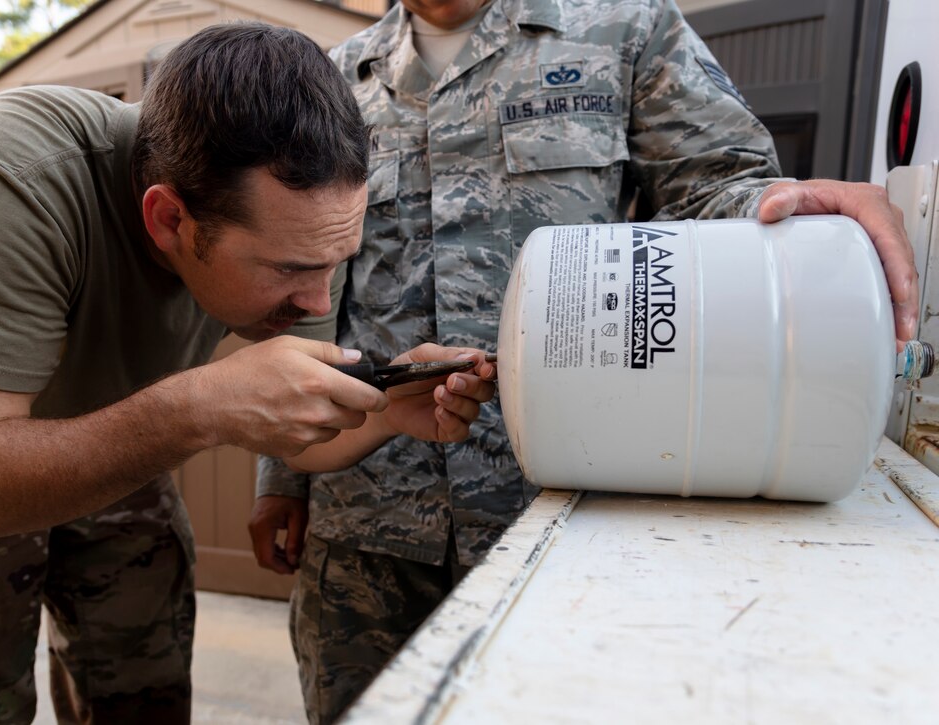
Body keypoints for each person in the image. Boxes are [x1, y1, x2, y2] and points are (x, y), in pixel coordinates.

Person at [247, 0, 920, 722]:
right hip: (368, 530)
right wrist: (280, 472)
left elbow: (717, 185)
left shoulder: (623, 29)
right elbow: (304, 302)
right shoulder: (334, 79)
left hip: (561, 511)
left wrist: (801, 204)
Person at [0, 22, 495, 724]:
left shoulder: (302, 228)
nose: (319, 299)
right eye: (291, 269)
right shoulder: (0, 173)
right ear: (168, 220)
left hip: (117, 411)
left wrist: (387, 411)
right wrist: (198, 407)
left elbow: (299, 438)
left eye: (334, 260)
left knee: (141, 682)